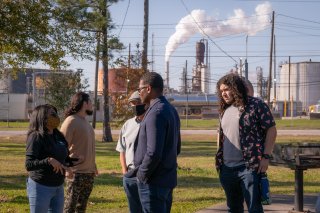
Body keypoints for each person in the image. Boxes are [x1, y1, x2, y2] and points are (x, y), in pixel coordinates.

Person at [216, 73, 277, 213]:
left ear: (235, 87)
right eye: (221, 91)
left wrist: (266, 157)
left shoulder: (256, 105)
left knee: (254, 208)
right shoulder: (224, 109)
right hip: (227, 169)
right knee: (233, 208)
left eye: (226, 89)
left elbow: (271, 130)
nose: (223, 94)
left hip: (248, 168)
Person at [126, 72, 181, 213]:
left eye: (140, 89)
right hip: (166, 179)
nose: (139, 93)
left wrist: (141, 175)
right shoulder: (171, 109)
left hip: (153, 182)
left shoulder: (155, 113)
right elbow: (177, 148)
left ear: (148, 89)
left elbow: (153, 152)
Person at [25, 104, 77, 213]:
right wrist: (48, 160)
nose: (56, 117)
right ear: (42, 117)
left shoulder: (58, 136)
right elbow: (29, 165)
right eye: (52, 114)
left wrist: (68, 165)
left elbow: (62, 158)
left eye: (56, 113)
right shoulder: (35, 136)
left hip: (58, 186)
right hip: (40, 186)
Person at [60, 92, 98, 213]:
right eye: (90, 102)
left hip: (88, 173)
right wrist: (67, 169)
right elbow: (61, 148)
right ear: (84, 104)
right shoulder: (70, 121)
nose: (92, 104)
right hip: (75, 174)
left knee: (81, 208)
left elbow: (87, 146)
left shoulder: (86, 123)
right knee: (69, 208)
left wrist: (93, 166)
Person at [116, 91, 147, 213]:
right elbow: (122, 150)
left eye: (137, 103)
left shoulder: (151, 122)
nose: (134, 107)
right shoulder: (127, 125)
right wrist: (125, 172)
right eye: (132, 104)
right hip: (130, 176)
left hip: (146, 175)